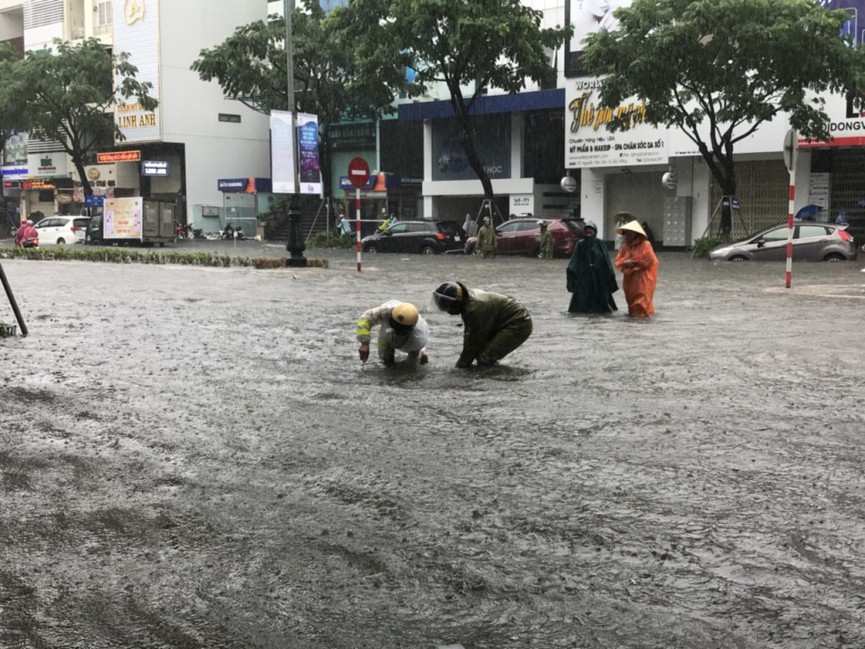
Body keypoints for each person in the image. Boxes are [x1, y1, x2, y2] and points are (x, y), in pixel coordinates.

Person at [431, 281, 532, 368]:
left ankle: (494, 382)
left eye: (448, 308)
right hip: (499, 321)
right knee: (481, 353)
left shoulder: (474, 309)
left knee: (485, 358)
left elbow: (472, 343)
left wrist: (460, 368)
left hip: (518, 323)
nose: (448, 312)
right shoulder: (467, 301)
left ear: (457, 303)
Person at [566, 220, 618, 313]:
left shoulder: (600, 243)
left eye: (591, 232)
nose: (589, 235)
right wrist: (571, 272)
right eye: (586, 232)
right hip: (584, 276)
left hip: (598, 276)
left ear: (595, 232)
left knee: (601, 298)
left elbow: (606, 260)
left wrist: (609, 275)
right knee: (582, 298)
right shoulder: (581, 244)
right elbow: (575, 260)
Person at [356, 301, 429, 366]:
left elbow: (412, 361)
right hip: (387, 330)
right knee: (386, 361)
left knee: (412, 365)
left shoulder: (418, 336)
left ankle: (422, 351)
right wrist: (364, 343)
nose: (397, 329)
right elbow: (365, 319)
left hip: (410, 338)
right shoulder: (386, 312)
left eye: (401, 328)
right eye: (396, 325)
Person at [614, 220, 658, 318]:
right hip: (630, 280)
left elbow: (649, 259)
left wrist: (634, 262)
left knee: (642, 302)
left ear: (636, 233)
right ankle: (635, 323)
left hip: (643, 279)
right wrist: (625, 263)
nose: (628, 235)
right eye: (627, 232)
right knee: (631, 302)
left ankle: (641, 324)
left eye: (631, 232)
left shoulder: (646, 244)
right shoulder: (626, 247)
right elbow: (618, 260)